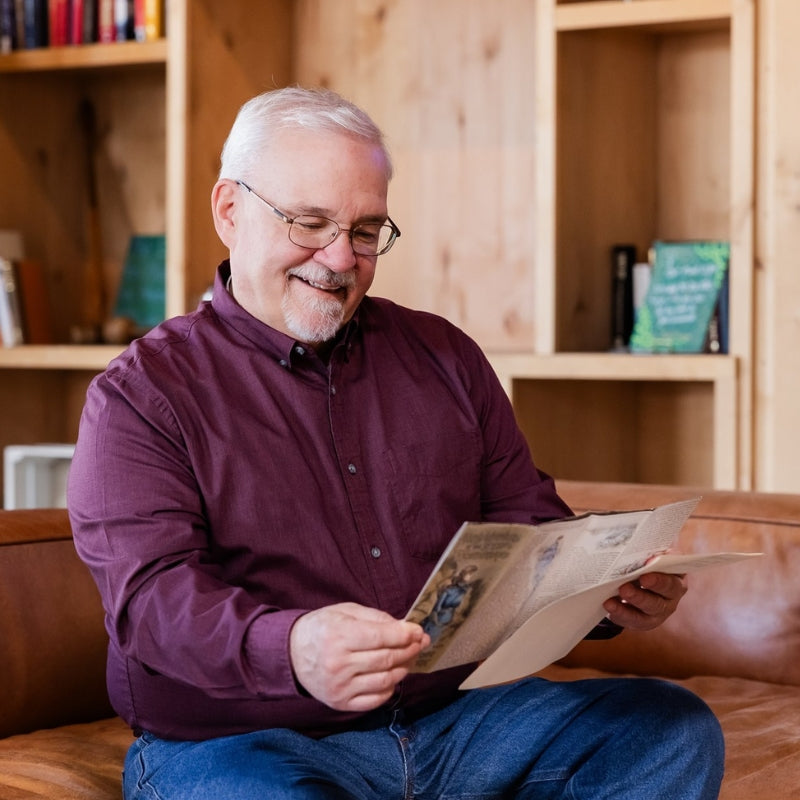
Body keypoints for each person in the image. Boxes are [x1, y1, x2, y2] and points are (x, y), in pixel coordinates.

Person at [68, 86, 724, 800]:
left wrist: (607, 590)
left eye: (365, 231)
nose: (339, 258)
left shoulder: (445, 356)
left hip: (454, 721)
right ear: (230, 211)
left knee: (670, 731)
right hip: (245, 744)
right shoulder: (140, 396)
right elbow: (151, 605)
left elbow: (529, 525)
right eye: (310, 224)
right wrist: (293, 650)